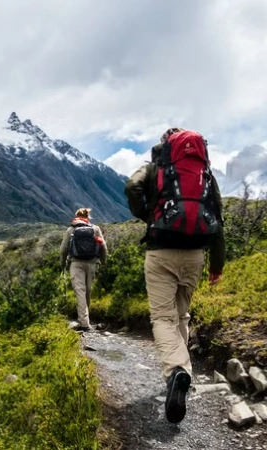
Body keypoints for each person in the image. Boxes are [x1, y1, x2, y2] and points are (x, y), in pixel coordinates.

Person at [125, 128, 225, 424]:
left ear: (165, 145)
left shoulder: (156, 168)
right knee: (181, 315)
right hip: (195, 254)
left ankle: (177, 372)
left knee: (162, 318)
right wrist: (216, 266)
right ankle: (181, 372)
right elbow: (217, 217)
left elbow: (132, 186)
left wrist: (147, 215)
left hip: (161, 252)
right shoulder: (204, 174)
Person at [60, 208, 107, 331]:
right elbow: (103, 246)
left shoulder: (71, 229)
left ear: (76, 216)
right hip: (92, 263)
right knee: (88, 290)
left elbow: (63, 249)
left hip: (76, 263)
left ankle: (84, 323)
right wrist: (103, 262)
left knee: (80, 291)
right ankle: (85, 320)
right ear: (88, 217)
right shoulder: (95, 229)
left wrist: (62, 264)